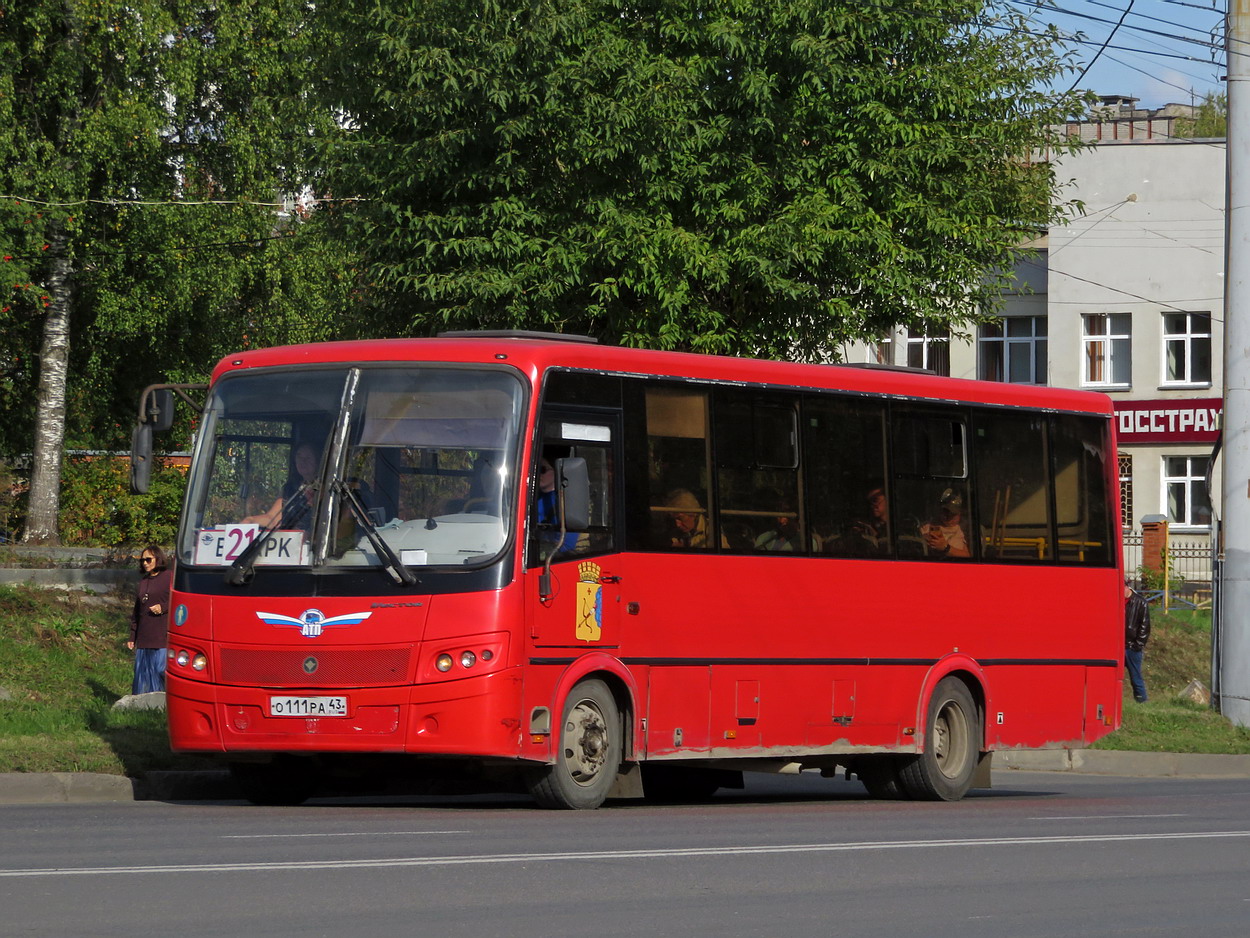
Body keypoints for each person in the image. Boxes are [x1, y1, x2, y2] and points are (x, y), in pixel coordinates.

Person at [242, 441, 320, 528]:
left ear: (318, 460)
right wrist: (251, 520)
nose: (302, 461)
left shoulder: (325, 489)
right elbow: (273, 519)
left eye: (308, 457)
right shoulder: (290, 488)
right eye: (299, 456)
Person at [128, 546, 172, 695]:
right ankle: (142, 708)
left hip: (161, 636)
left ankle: (164, 705)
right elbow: (137, 610)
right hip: (144, 636)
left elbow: (181, 602)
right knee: (142, 676)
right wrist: (132, 636)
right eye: (142, 560)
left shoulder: (169, 577)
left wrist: (163, 607)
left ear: (158, 559)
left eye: (148, 559)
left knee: (160, 670)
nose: (145, 563)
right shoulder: (143, 581)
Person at [536, 455, 579, 555]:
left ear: (556, 471)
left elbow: (566, 545)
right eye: (534, 469)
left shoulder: (566, 502)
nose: (537, 474)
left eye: (542, 469)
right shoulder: (526, 498)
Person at [922, 487, 971, 558]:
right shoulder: (929, 527)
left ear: (960, 513)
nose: (949, 517)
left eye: (953, 514)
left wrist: (945, 548)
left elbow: (969, 557)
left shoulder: (966, 530)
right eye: (946, 512)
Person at [1125, 581, 1152, 703]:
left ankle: (1142, 700)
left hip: (1132, 646)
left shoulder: (1140, 602)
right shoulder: (1116, 600)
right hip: (1118, 645)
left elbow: (1145, 626)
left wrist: (1138, 645)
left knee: (1135, 677)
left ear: (1127, 587)